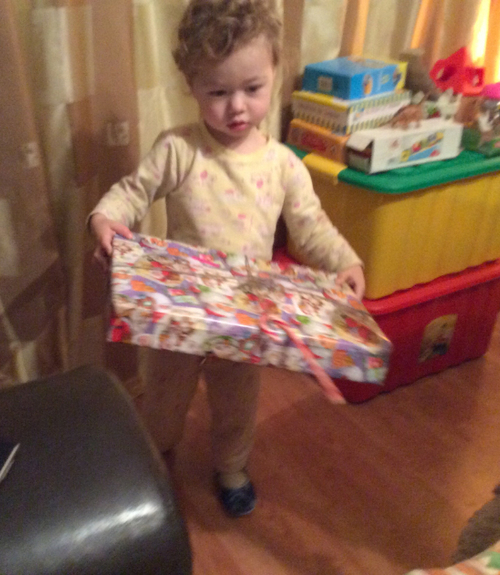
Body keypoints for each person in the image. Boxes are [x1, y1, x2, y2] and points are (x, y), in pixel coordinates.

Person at [88, 0, 364, 517]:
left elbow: (311, 226)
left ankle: (232, 466)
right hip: (179, 312)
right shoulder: (179, 149)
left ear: (275, 73)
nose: (237, 107)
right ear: (191, 86)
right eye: (217, 92)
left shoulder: (283, 165)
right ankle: (155, 458)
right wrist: (105, 219)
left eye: (252, 88)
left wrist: (345, 263)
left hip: (245, 316)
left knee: (237, 402)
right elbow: (132, 192)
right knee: (163, 398)